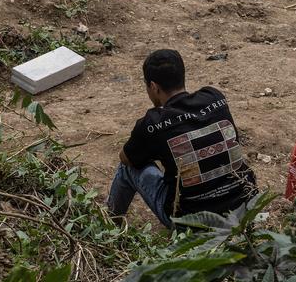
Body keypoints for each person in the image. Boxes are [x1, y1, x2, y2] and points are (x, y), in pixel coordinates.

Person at [107, 50, 256, 229]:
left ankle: (108, 227)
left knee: (127, 167)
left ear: (153, 86)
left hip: (192, 224)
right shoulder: (214, 97)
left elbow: (125, 158)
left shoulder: (152, 123)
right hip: (244, 207)